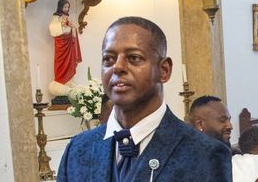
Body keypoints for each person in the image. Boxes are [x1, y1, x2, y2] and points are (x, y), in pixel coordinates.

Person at [57, 16, 232, 181]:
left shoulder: (204, 153)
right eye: (108, 59)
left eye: (134, 58)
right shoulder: (78, 149)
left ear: (164, 70)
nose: (117, 67)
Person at [48, 0, 82, 95]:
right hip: (61, 44)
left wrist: (72, 27)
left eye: (68, 7)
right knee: (60, 63)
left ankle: (68, 82)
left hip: (68, 44)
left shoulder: (67, 17)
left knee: (70, 62)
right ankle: (60, 83)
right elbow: (52, 28)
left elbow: (71, 29)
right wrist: (60, 24)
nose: (67, 9)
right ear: (61, 7)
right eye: (65, 7)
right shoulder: (56, 16)